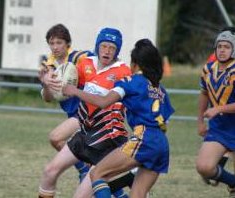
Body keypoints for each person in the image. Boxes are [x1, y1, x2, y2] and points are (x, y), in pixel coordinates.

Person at [63, 39, 174, 198]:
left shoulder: (131, 81)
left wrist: (75, 91)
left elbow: (103, 102)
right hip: (162, 145)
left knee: (98, 173)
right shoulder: (160, 90)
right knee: (138, 193)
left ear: (135, 64)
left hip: (144, 138)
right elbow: (165, 122)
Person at [38, 27, 132, 198]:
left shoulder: (123, 71)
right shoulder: (85, 64)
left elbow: (104, 101)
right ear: (98, 46)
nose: (107, 51)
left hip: (107, 137)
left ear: (117, 50)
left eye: (112, 47)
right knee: (49, 171)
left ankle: (119, 192)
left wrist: (75, 91)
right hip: (84, 132)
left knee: (88, 190)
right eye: (104, 46)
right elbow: (58, 92)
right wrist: (47, 83)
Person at [39, 24, 93, 182]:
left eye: (59, 42)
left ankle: (83, 169)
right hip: (73, 115)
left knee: (56, 138)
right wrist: (47, 84)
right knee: (99, 165)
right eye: (52, 43)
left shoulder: (80, 58)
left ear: (67, 44)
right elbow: (47, 98)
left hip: (88, 112)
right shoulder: (48, 67)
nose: (55, 47)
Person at [196, 30, 235, 198]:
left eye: (227, 47)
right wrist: (200, 122)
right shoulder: (208, 69)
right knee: (204, 167)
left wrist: (218, 109)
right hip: (219, 128)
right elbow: (204, 93)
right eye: (219, 46)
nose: (222, 50)